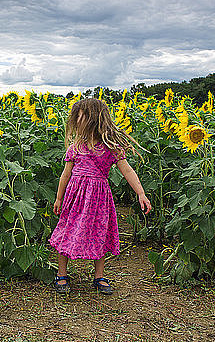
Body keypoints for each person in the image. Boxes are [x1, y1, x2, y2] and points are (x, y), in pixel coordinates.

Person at [48, 98, 152, 295]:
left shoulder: (110, 148)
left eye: (80, 116)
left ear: (93, 119)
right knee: (66, 231)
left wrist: (141, 193)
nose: (76, 120)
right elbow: (65, 175)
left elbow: (127, 171)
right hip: (75, 198)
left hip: (98, 200)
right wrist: (59, 198)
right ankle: (62, 274)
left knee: (100, 234)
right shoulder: (75, 147)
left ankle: (99, 276)